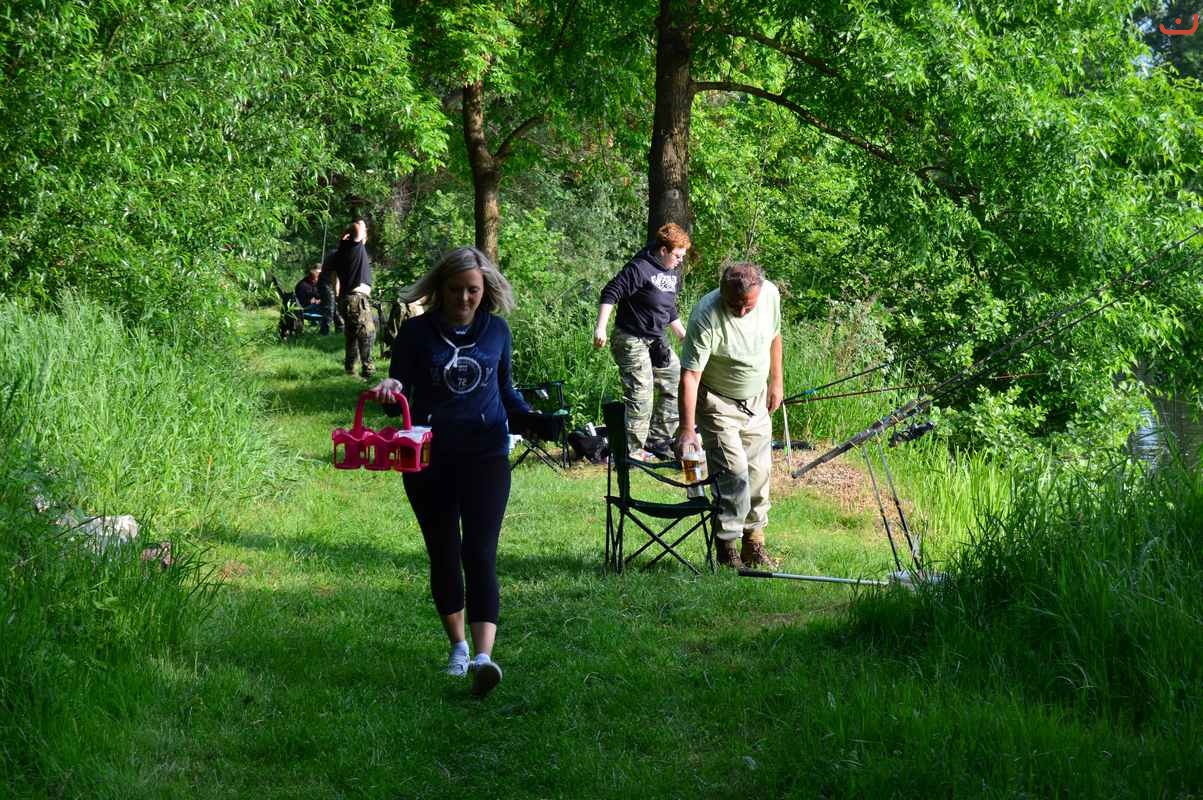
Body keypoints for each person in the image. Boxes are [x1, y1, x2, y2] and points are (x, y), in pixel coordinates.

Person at [369, 246, 531, 698]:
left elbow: (505, 388)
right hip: (427, 458)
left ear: (485, 290)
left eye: (472, 290)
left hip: (485, 456)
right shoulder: (416, 332)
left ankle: (484, 658)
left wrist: (533, 417)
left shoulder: (497, 331)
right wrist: (390, 389)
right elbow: (400, 389)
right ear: (439, 289)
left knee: (480, 552)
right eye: (456, 289)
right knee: (443, 552)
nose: (464, 298)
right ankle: (458, 648)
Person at [676, 262, 784, 569]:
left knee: (759, 473)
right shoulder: (706, 314)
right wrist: (687, 428)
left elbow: (775, 336)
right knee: (734, 473)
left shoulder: (770, 295)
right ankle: (727, 548)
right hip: (717, 403)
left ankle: (754, 543)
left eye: (748, 305)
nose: (741, 311)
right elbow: (690, 376)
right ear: (722, 291)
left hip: (757, 400)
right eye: (734, 305)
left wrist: (776, 382)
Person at [592, 223, 690, 460]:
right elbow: (611, 292)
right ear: (663, 250)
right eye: (677, 255)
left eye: (682, 256)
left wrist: (683, 335)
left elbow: (668, 308)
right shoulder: (640, 267)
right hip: (630, 338)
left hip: (656, 339)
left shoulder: (671, 272)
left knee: (677, 381)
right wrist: (600, 327)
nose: (680, 261)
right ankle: (631, 453)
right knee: (641, 393)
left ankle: (657, 441)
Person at [322, 219, 374, 375]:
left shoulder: (340, 252)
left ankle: (350, 370)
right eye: (365, 231)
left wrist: (339, 298)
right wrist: (350, 230)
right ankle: (368, 371)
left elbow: (335, 281)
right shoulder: (352, 246)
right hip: (356, 300)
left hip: (348, 299)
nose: (365, 232)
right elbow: (358, 226)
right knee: (367, 333)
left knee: (352, 336)